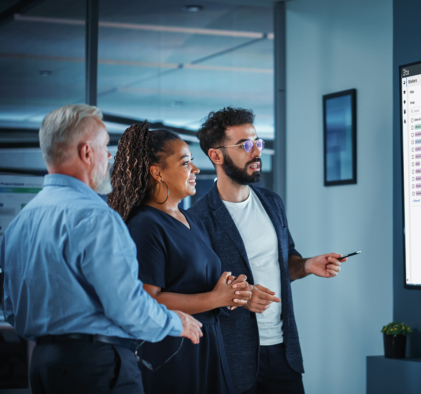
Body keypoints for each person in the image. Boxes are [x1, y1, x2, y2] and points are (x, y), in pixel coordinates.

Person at [0, 105, 203, 394]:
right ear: (86, 153)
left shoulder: (22, 222)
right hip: (96, 367)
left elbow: (10, 308)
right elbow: (127, 306)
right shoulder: (95, 216)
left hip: (42, 366)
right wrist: (175, 322)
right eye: (105, 146)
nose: (109, 156)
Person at [189, 107, 347, 394]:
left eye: (258, 142)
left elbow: (286, 262)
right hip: (233, 357)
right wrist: (241, 297)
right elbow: (198, 291)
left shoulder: (272, 202)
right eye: (245, 145)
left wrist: (308, 265)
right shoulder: (198, 218)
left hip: (284, 352)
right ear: (216, 155)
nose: (256, 152)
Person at [107, 123, 253, 394]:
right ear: (157, 172)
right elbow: (147, 300)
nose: (196, 170)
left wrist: (232, 292)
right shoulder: (145, 225)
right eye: (186, 163)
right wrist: (214, 298)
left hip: (208, 345)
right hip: (173, 353)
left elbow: (196, 283)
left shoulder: (192, 221)